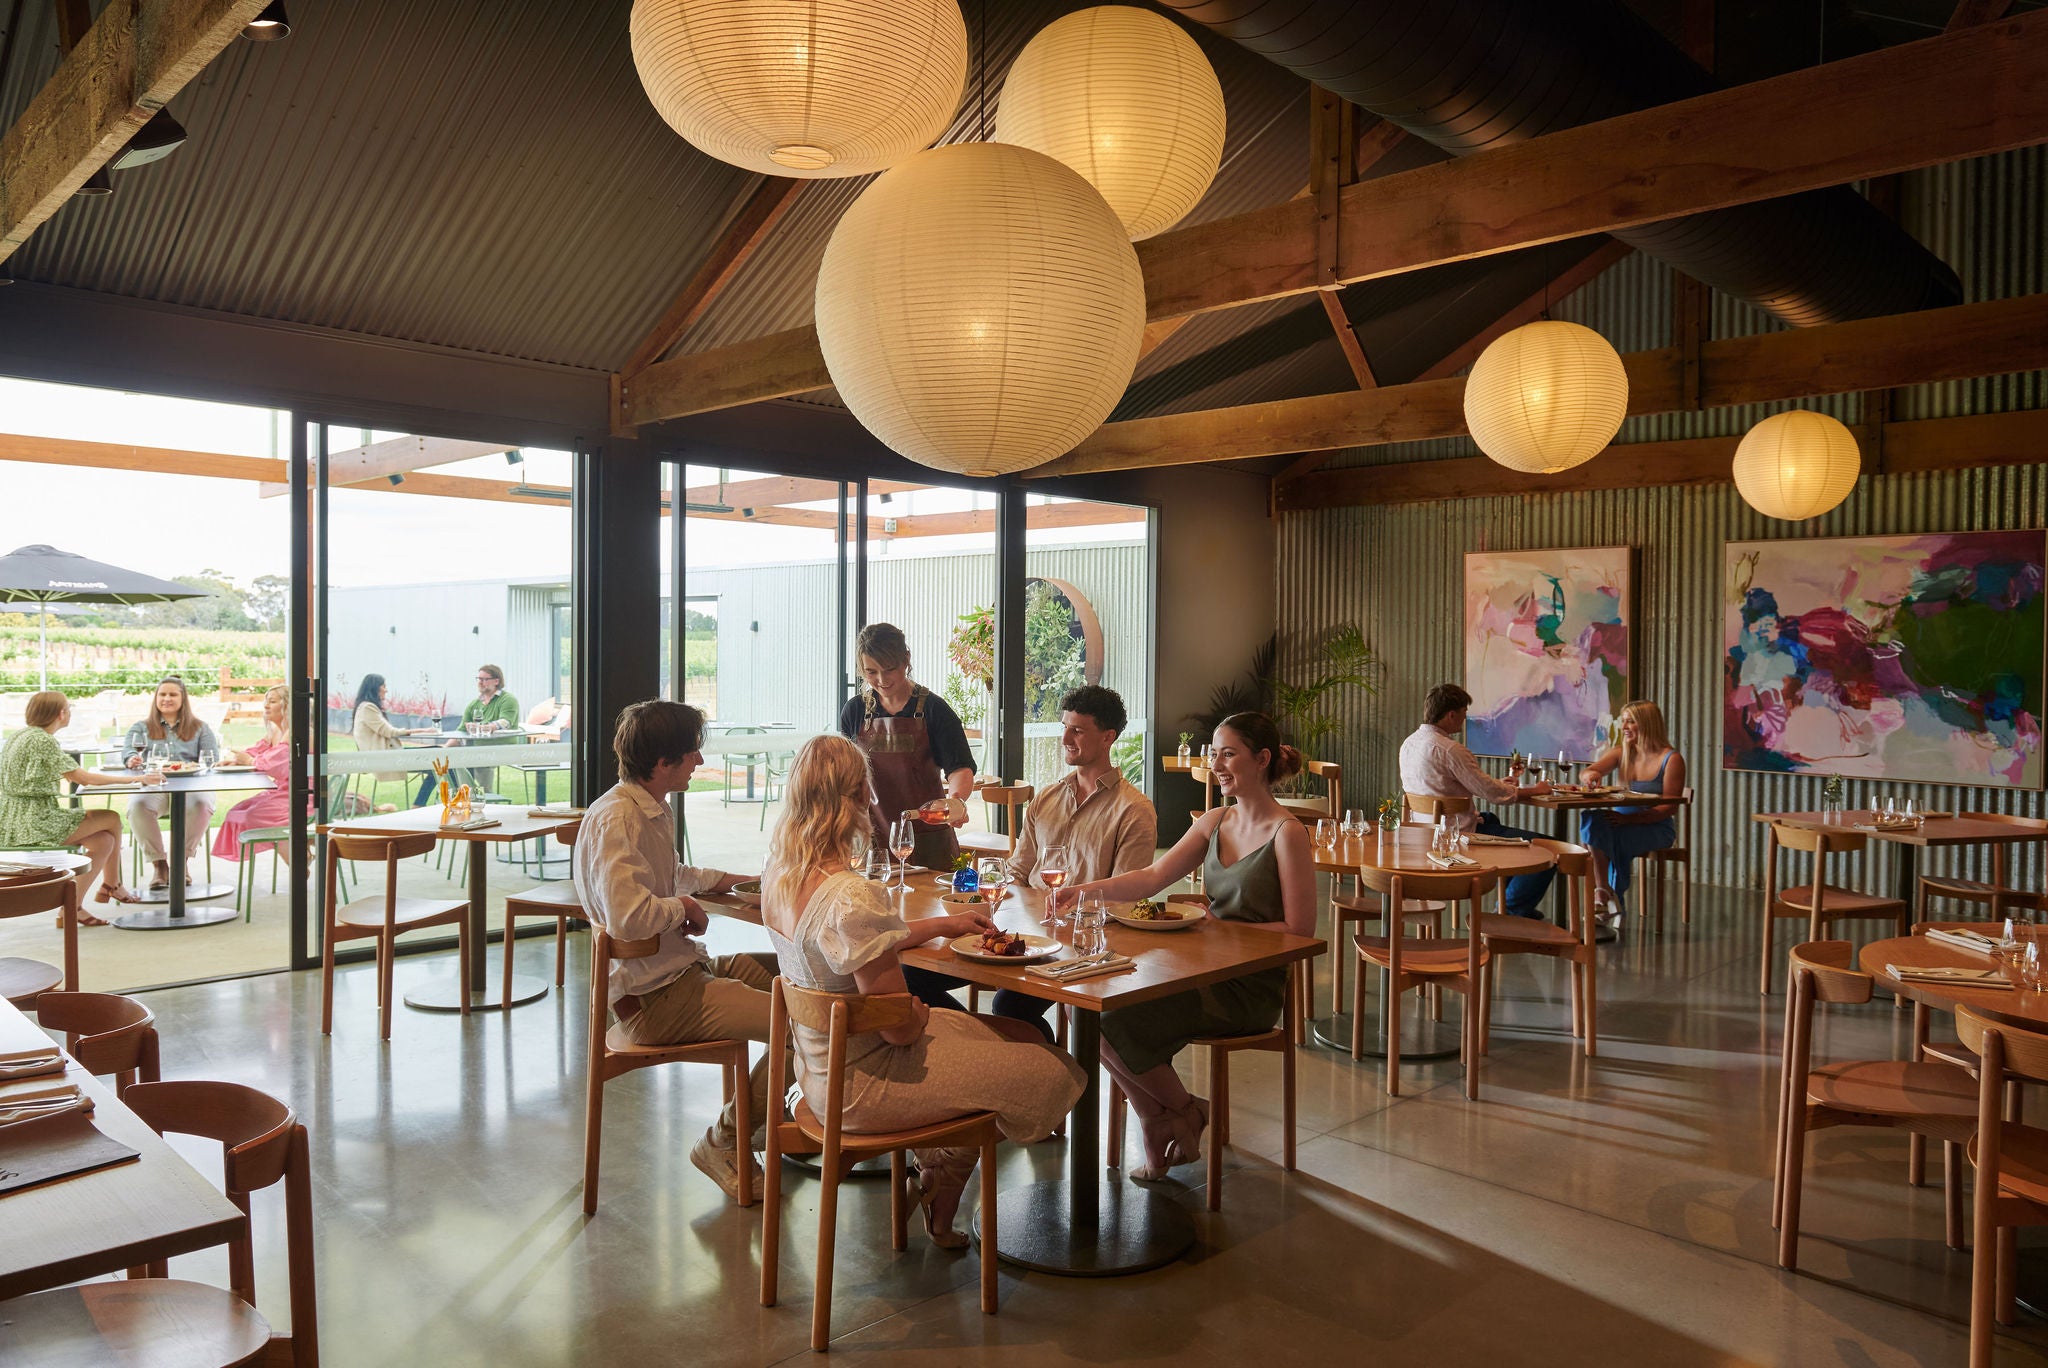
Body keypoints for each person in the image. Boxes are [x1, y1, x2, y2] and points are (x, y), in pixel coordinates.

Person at [761, 734, 1084, 1246]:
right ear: (849, 799)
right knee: (1051, 1064)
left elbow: (845, 943)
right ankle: (946, 1162)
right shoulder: (852, 894)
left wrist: (939, 927)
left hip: (818, 1077)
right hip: (867, 1086)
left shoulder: (780, 876)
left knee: (1015, 1029)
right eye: (864, 790)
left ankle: (943, 1167)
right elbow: (899, 1030)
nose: (872, 800)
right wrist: (914, 1009)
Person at [1054, 712, 1315, 1183]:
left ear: (1261, 759)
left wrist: (1223, 929)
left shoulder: (1287, 833)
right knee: (1082, 1011)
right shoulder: (1216, 820)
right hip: (1200, 969)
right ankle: (1169, 1114)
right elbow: (1154, 877)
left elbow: (1300, 931)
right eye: (1213, 753)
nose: (1216, 763)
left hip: (1247, 988)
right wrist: (1087, 890)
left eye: (1228, 753)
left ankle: (1174, 1115)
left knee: (1111, 1020)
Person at [574, 699, 773, 1205]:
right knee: (811, 1022)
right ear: (663, 763)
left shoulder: (644, 808)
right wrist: (682, 906)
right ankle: (724, 1141)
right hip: (655, 1001)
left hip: (676, 975)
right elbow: (628, 915)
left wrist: (735, 881)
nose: (699, 763)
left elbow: (671, 876)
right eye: (691, 755)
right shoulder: (617, 820)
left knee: (788, 982)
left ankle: (763, 1127)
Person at [989, 684, 1157, 1037]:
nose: (1065, 737)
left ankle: (1058, 1080)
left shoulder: (1134, 810)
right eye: (1064, 726)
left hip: (1088, 945)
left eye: (1078, 730)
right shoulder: (1045, 798)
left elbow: (1128, 898)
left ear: (1108, 737)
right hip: (1030, 932)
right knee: (921, 975)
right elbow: (1019, 871)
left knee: (1009, 1007)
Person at [1398, 683, 1556, 920]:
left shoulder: (1408, 745)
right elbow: (1493, 795)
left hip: (1423, 833)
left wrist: (1498, 784)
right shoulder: (1451, 750)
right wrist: (1534, 790)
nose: (1463, 720)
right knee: (1547, 847)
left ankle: (1508, 904)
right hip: (1458, 835)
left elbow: (1454, 785)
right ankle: (1512, 911)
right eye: (1463, 714)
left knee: (1492, 821)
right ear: (1451, 715)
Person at [0, 690, 160, 918]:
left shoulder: (19, 735)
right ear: (61, 713)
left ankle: (71, 909)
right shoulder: (43, 740)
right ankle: (112, 884)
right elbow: (83, 778)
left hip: (11, 821)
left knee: (104, 841)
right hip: (34, 822)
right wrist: (136, 778)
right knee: (111, 817)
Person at [837, 622, 974, 873]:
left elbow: (960, 769)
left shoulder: (935, 710)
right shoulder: (854, 711)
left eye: (889, 669)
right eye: (871, 672)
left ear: (906, 660)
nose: (881, 680)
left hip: (928, 837)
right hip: (871, 837)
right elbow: (846, 777)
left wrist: (955, 802)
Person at [1577, 699, 1687, 918]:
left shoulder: (1671, 759)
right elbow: (1588, 772)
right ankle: (1604, 892)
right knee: (1590, 819)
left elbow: (1669, 808)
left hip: (1655, 827)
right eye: (1623, 721)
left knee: (1607, 837)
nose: (1624, 727)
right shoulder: (1622, 752)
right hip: (1619, 822)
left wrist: (1629, 820)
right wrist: (1592, 775)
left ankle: (1609, 899)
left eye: (1631, 722)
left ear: (1647, 724)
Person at [119, 675, 220, 891]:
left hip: (192, 785)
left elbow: (213, 758)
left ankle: (180, 863)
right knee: (137, 806)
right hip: (156, 785)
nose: (167, 698)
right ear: (156, 698)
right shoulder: (141, 727)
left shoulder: (201, 727)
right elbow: (128, 750)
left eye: (173, 694)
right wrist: (131, 758)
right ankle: (159, 865)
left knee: (202, 804)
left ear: (183, 699)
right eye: (162, 694)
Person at [212, 685, 306, 864]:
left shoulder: (297, 732)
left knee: (251, 816)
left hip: (301, 796)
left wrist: (248, 761)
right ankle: (301, 851)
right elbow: (257, 752)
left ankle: (299, 862)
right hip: (281, 791)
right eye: (266, 701)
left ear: (288, 705)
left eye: (272, 701)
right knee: (235, 812)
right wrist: (236, 761)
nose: (266, 706)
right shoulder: (275, 731)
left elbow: (274, 764)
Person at [414, 664, 520, 806]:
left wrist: (486, 727)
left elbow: (505, 722)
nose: (480, 682)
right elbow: (461, 732)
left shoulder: (507, 700)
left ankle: (474, 800)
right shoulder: (474, 704)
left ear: (496, 681)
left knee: (453, 765)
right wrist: (445, 749)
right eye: (479, 679)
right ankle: (458, 800)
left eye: (485, 679)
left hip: (497, 749)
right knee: (442, 763)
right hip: (473, 751)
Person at [350, 674, 408, 799]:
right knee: (437, 762)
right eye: (384, 686)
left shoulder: (364, 707)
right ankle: (420, 804)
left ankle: (420, 804)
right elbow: (390, 732)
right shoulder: (368, 707)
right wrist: (424, 731)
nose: (386, 690)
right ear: (375, 688)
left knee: (437, 757)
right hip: (384, 757)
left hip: (384, 755)